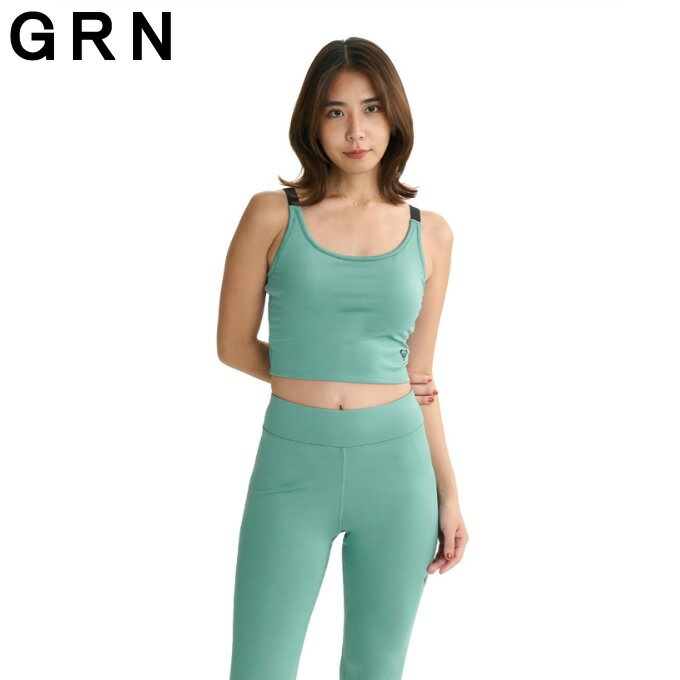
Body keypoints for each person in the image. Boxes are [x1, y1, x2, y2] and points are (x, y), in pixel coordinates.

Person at [217, 36, 469, 680]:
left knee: (375, 670)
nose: (356, 131)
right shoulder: (272, 215)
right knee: (259, 669)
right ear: (313, 121)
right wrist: (317, 375)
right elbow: (232, 345)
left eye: (371, 108)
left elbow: (420, 376)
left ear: (394, 117)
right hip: (292, 467)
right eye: (336, 111)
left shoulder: (432, 233)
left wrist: (449, 494)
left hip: (400, 471)